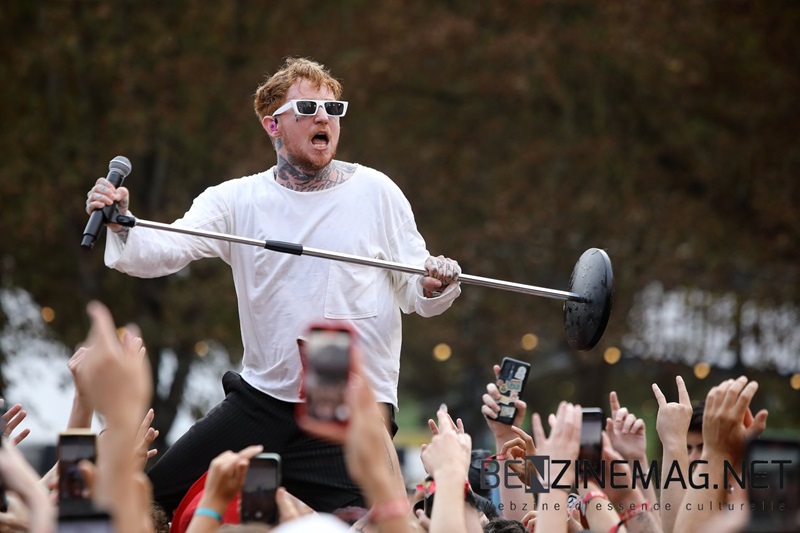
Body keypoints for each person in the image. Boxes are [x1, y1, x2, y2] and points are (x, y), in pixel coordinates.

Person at [83, 56, 462, 516]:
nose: (324, 118)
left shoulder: (376, 191)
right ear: (273, 125)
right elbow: (165, 249)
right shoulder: (236, 198)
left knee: (375, 522)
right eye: (307, 107)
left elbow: (414, 290)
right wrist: (124, 225)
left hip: (348, 397)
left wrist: (432, 282)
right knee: (148, 501)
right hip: (263, 398)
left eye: (333, 109)